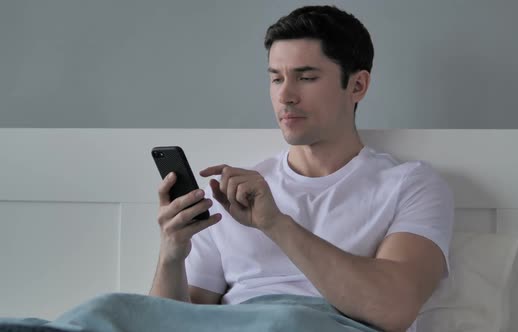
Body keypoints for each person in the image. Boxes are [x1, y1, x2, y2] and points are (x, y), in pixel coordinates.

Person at [149, 5, 454, 332]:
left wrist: (275, 224)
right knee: (106, 308)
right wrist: (172, 253)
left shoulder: (409, 184)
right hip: (234, 324)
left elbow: (395, 308)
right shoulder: (230, 193)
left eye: (306, 78)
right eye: (276, 78)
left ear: (357, 86)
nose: (285, 95)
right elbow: (171, 324)